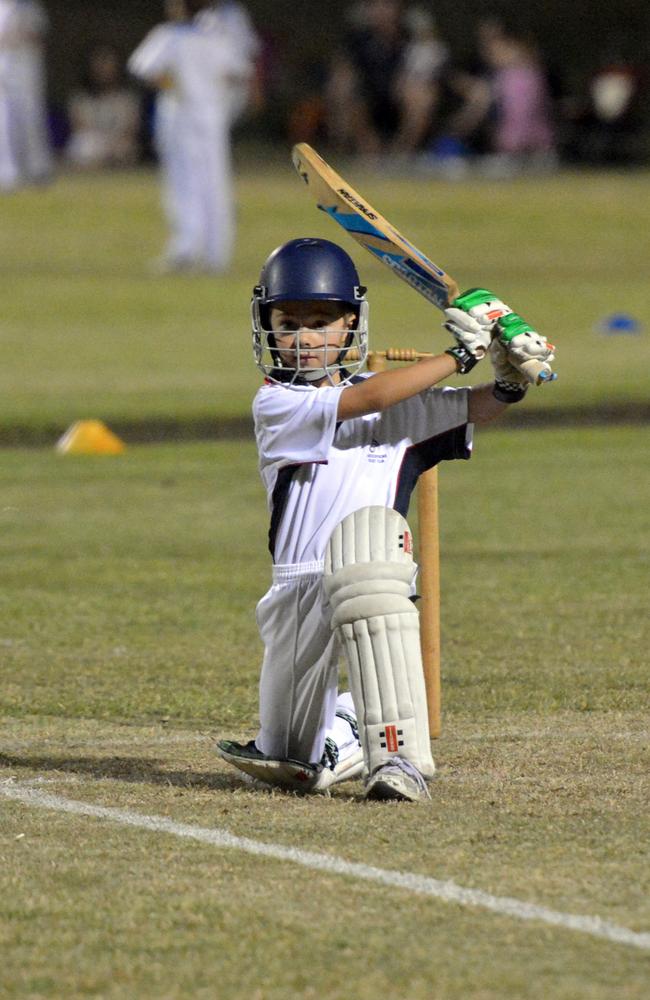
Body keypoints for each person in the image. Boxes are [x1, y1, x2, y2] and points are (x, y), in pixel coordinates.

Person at [217, 237, 556, 802]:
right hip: (297, 588)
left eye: (322, 322)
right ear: (267, 325)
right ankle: (344, 729)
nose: (304, 338)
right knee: (293, 761)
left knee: (368, 554)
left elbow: (473, 408)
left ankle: (398, 758)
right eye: (289, 322)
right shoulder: (277, 403)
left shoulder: (401, 404)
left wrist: (508, 380)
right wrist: (457, 356)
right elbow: (361, 402)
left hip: (372, 574)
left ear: (350, 326)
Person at [128, 0, 250, 273]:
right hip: (211, 116)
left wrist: (175, 84)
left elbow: (143, 67)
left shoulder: (171, 35)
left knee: (183, 181)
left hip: (180, 113)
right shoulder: (218, 35)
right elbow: (237, 72)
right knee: (214, 182)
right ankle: (216, 253)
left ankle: (186, 246)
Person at [0, 0, 52, 190]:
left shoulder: (30, 8)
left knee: (31, 119)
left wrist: (18, 36)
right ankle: (8, 173)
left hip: (27, 70)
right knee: (4, 122)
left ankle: (37, 169)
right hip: (3, 70)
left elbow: (38, 36)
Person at [65, 45, 141, 170]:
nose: (103, 70)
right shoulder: (80, 98)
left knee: (125, 149)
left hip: (118, 144)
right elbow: (79, 128)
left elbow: (131, 128)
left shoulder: (128, 98)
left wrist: (114, 143)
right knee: (85, 145)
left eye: (108, 65)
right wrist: (103, 143)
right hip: (93, 144)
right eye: (99, 65)